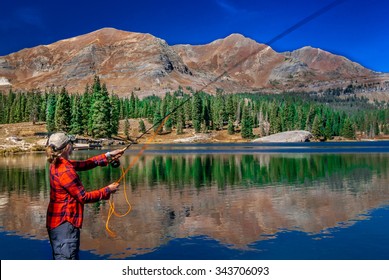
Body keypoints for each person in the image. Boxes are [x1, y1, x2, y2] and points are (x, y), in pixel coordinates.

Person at [45, 132, 124, 260]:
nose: (72, 145)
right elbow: (84, 197)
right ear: (66, 147)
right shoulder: (65, 170)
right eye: (70, 143)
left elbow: (85, 164)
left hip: (57, 222)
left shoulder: (57, 163)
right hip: (65, 223)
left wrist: (108, 156)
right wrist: (108, 190)